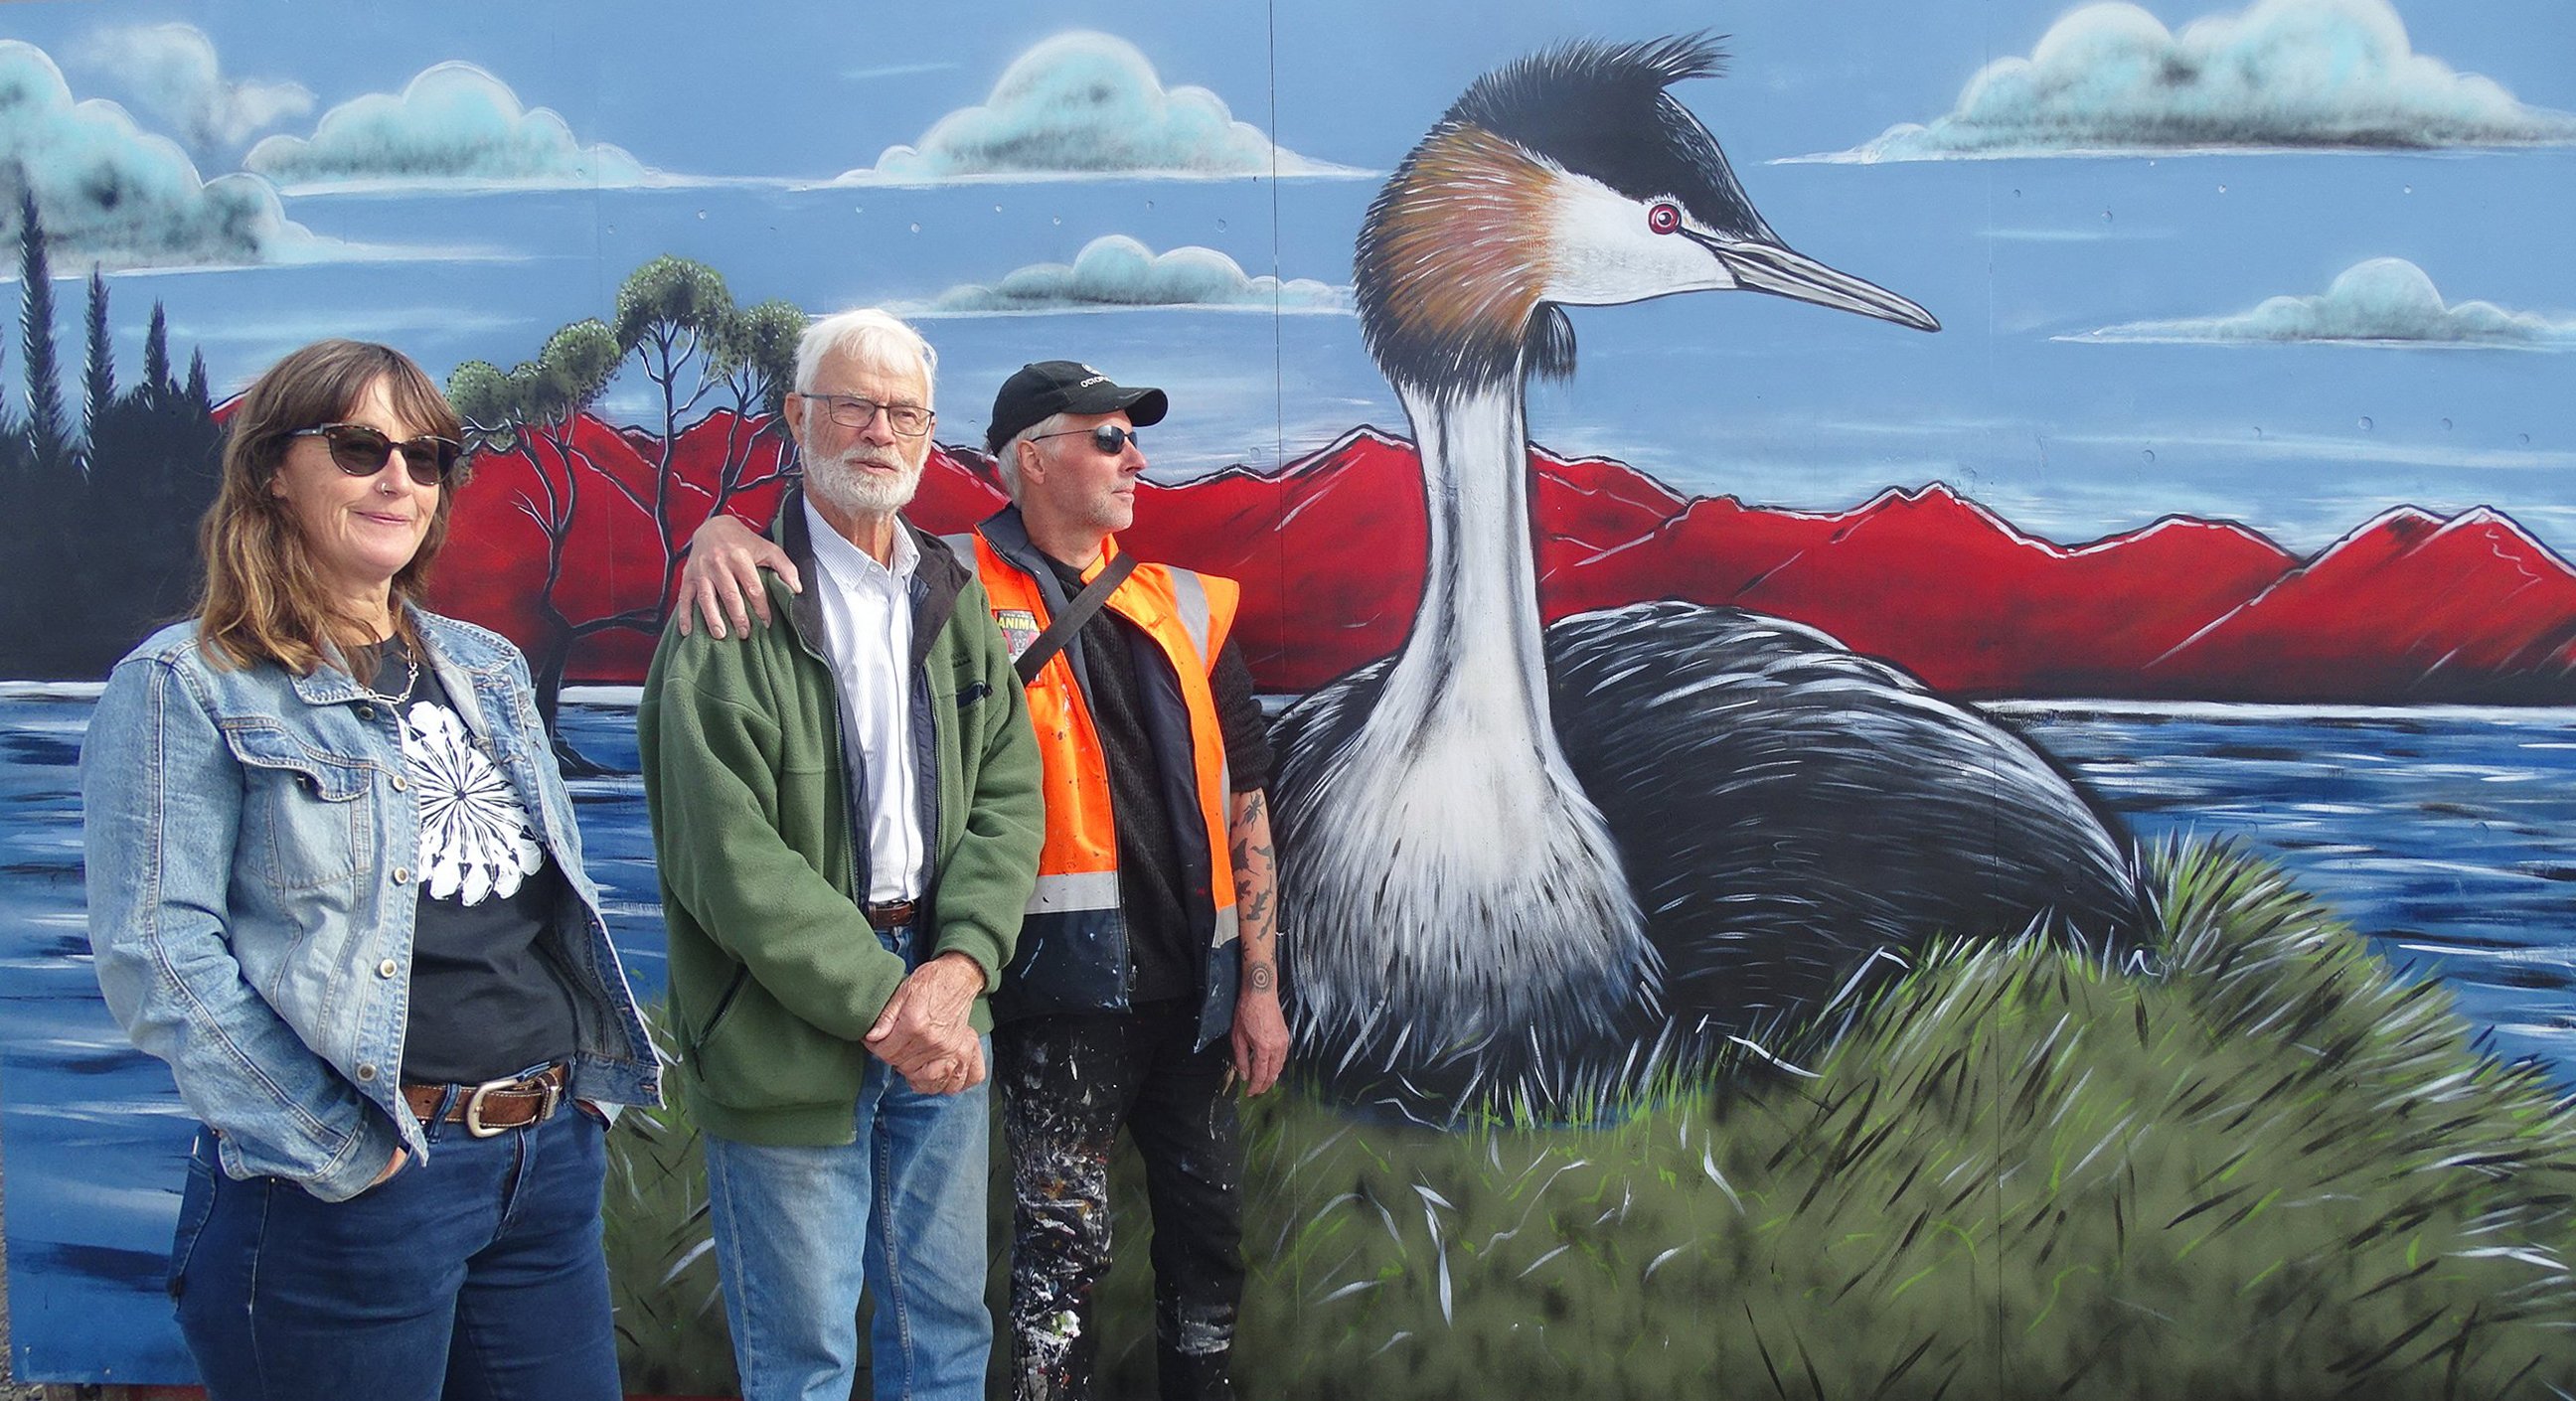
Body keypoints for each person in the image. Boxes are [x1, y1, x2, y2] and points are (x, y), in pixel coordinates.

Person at [683, 359, 1291, 1401]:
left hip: (1192, 996)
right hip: (1050, 997)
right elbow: (833, 537)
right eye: (1107, 437)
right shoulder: (945, 580)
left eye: (1130, 438)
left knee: (1210, 1235)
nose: (1134, 458)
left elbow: (1248, 807)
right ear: (1031, 458)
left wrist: (1263, 984)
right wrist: (718, 531)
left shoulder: (1188, 606)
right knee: (1059, 1257)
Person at [80, 339, 660, 1401]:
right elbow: (157, 953)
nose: (400, 478)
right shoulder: (187, 686)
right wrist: (336, 1143)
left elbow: (542, 912)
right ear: (270, 470)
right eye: (359, 447)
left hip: (545, 1169)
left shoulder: (484, 666)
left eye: (429, 455)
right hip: (347, 1193)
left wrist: (582, 1102)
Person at [638, 309, 1045, 1401]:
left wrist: (956, 974)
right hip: (789, 1020)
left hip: (945, 999)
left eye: (903, 411)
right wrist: (890, 1003)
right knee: (804, 1355)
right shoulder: (731, 604)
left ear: (928, 432)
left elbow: (1010, 795)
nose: (879, 430)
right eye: (853, 405)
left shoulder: (949, 597)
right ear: (798, 417)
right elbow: (723, 858)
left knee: (947, 1331)